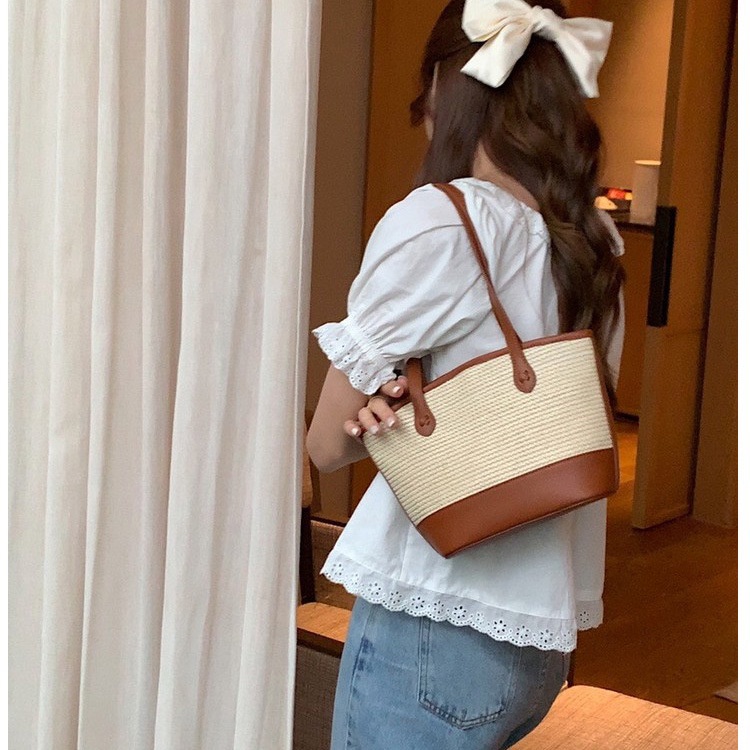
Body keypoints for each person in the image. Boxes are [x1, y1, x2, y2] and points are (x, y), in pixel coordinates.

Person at [306, 0, 626, 747]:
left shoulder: (442, 220)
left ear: (446, 89)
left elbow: (326, 446)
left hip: (433, 624)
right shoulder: (592, 237)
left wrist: (378, 414)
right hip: (537, 642)